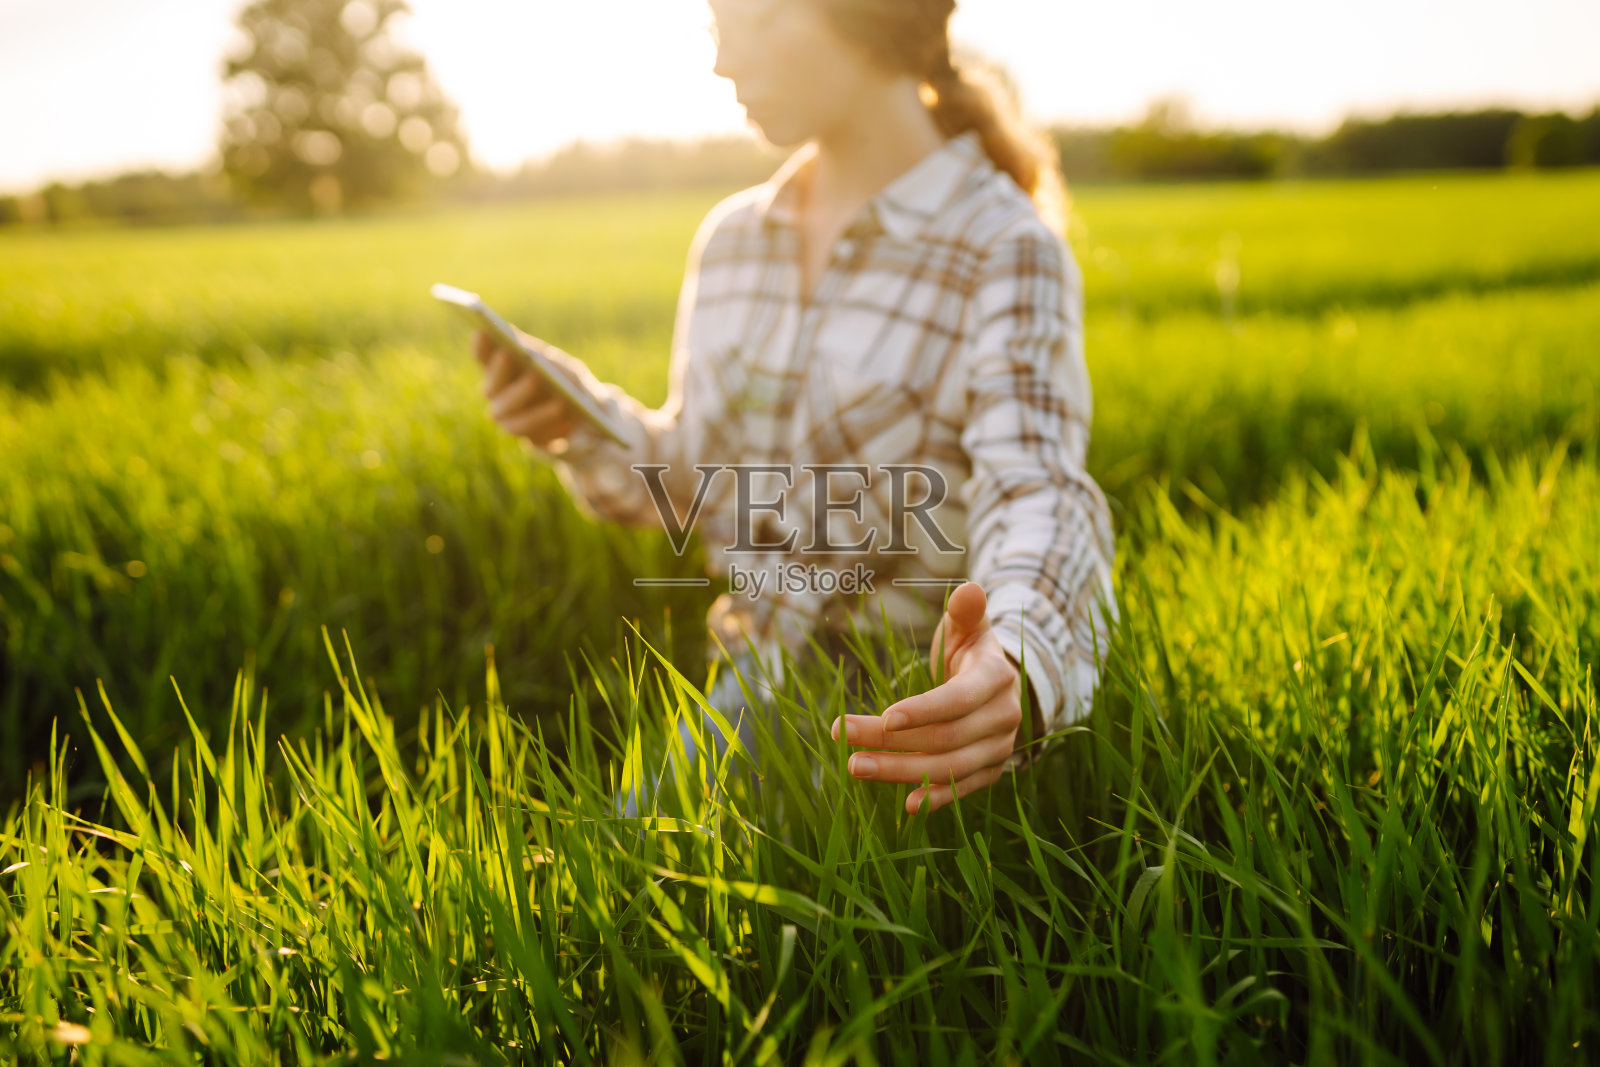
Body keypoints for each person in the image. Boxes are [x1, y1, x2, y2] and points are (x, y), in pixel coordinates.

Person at [475, 0, 1117, 816]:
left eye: (763, 20)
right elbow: (701, 481)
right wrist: (575, 423)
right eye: (716, 28)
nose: (724, 62)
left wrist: (1018, 657)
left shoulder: (1004, 245)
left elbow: (1037, 489)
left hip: (906, 719)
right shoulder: (733, 238)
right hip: (747, 680)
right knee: (612, 900)